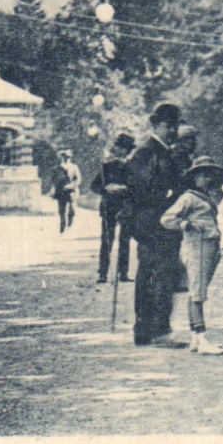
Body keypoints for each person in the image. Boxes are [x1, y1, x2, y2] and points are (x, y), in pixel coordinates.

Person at [129, 103, 188, 347]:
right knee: (157, 275)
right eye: (167, 126)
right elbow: (140, 189)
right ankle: (156, 330)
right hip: (152, 223)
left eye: (175, 125)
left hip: (163, 223)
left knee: (160, 274)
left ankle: (148, 330)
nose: (172, 130)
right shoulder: (146, 153)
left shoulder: (165, 152)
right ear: (155, 125)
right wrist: (170, 196)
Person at [159, 157, 223, 355]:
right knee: (197, 292)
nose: (207, 179)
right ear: (194, 177)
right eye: (203, 175)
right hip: (196, 246)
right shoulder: (188, 197)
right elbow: (167, 218)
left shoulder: (205, 196)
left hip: (210, 246)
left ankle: (196, 339)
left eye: (210, 175)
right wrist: (185, 225)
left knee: (199, 290)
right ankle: (201, 337)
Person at [92, 133, 135, 283]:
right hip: (109, 206)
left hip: (126, 206)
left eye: (125, 149)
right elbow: (95, 186)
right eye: (119, 148)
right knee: (107, 240)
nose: (121, 151)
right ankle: (103, 273)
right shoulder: (106, 166)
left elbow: (138, 187)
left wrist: (124, 188)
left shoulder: (133, 167)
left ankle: (123, 273)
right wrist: (106, 188)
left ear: (129, 151)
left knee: (125, 240)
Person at [50, 149, 82, 233]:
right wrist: (53, 188)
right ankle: (62, 224)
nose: (66, 159)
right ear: (61, 158)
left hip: (71, 190)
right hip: (60, 190)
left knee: (72, 208)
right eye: (64, 157)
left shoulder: (74, 167)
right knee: (62, 209)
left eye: (68, 157)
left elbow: (78, 179)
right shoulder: (56, 168)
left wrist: (72, 185)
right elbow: (53, 180)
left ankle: (70, 221)